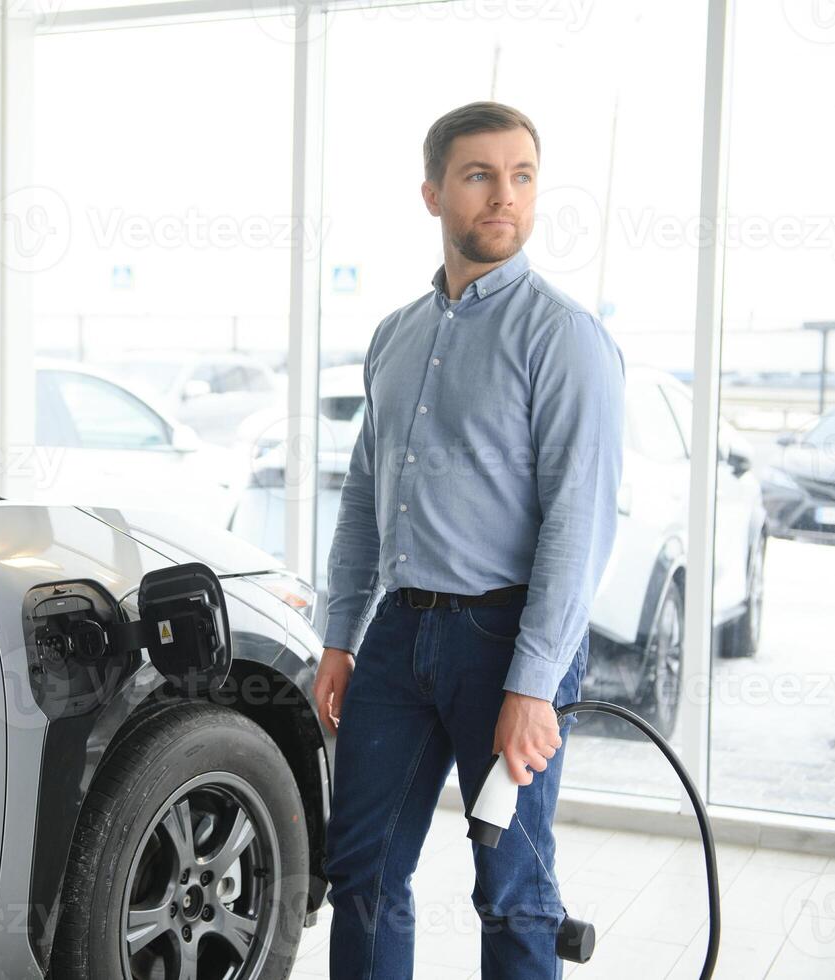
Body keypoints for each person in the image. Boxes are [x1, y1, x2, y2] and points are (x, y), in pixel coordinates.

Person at [311, 101, 626, 979]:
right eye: (479, 175)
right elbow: (364, 495)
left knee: (512, 890)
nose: (503, 196)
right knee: (361, 872)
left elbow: (578, 524)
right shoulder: (394, 336)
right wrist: (341, 635)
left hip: (507, 643)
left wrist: (532, 685)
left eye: (521, 176)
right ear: (432, 193)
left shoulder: (563, 338)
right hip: (397, 638)